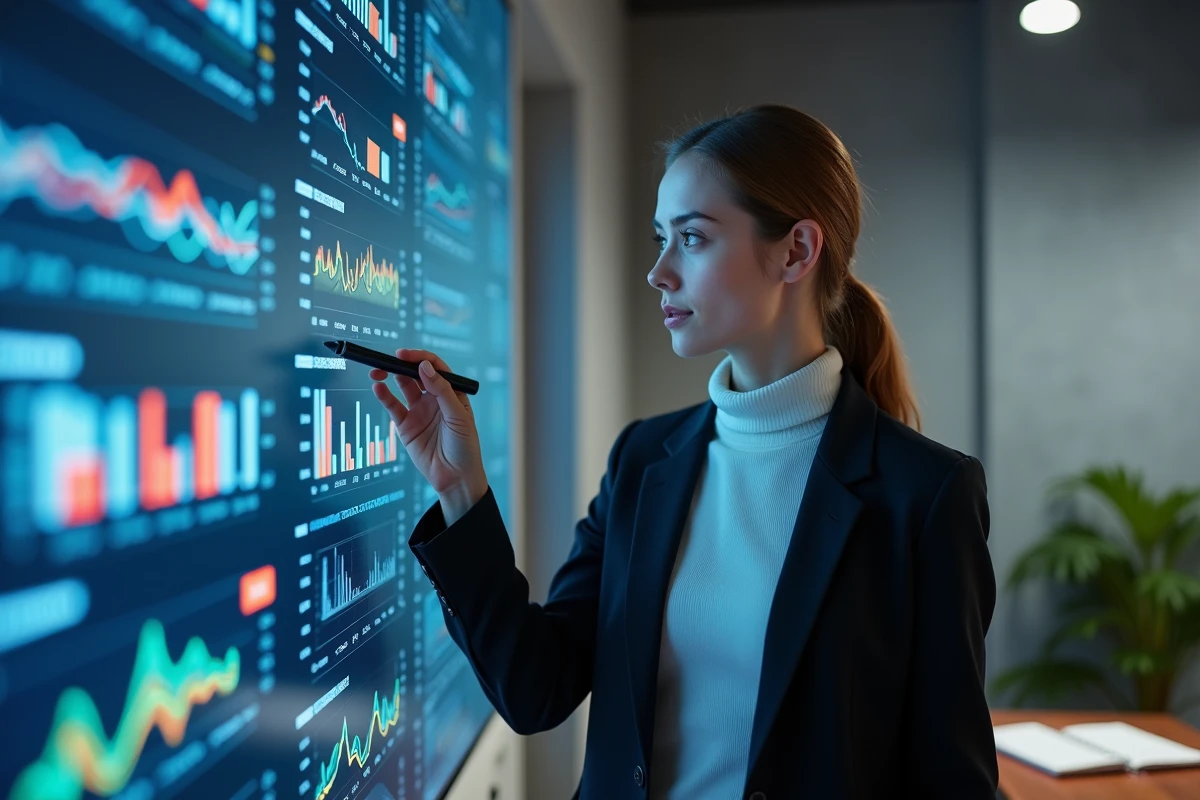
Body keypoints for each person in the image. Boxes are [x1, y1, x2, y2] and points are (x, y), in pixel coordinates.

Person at [369, 104, 999, 799]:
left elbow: (950, 780)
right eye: (659, 239)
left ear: (796, 250)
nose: (658, 272)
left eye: (691, 239)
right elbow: (535, 689)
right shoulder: (644, 459)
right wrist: (462, 491)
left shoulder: (925, 494)